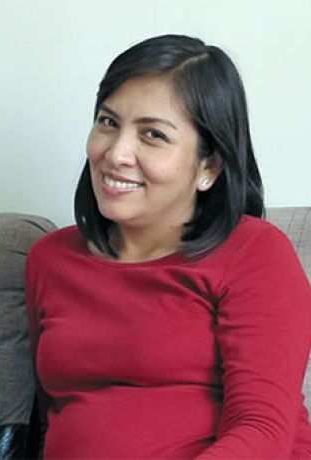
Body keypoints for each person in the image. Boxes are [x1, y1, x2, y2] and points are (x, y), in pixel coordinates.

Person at [26, 34, 311, 458]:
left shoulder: (255, 251)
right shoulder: (50, 259)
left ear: (209, 166)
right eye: (108, 122)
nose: (117, 153)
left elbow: (262, 430)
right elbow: (51, 417)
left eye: (153, 135)